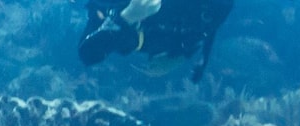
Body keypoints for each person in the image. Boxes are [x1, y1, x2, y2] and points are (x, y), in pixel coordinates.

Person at [78, 0, 234, 82]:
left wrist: (182, 55)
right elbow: (88, 54)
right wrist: (127, 17)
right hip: (121, 60)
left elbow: (208, 29)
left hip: (164, 53)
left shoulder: (219, 4)